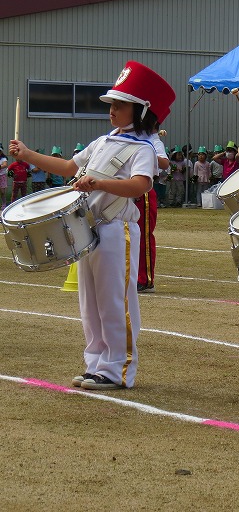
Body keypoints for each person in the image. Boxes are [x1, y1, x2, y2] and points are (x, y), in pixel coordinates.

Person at [9, 60, 175, 390]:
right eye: (111, 104)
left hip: (116, 228)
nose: (111, 110)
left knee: (114, 300)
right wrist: (27, 154)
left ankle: (117, 368)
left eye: (119, 105)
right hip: (88, 229)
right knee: (90, 302)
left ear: (140, 111)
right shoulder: (102, 142)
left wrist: (98, 183)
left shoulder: (143, 148)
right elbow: (67, 166)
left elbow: (140, 185)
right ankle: (96, 363)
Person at [136, 128, 169, 293]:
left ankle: (145, 280)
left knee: (143, 236)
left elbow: (164, 163)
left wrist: (144, 152)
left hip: (143, 190)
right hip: (125, 189)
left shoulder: (153, 140)